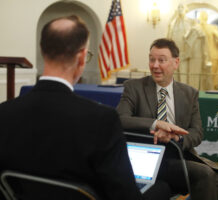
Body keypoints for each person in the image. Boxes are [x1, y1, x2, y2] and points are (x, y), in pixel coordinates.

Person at [0, 16, 170, 200]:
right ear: (82, 57)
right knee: (162, 189)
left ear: (43, 51)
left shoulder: (4, 113)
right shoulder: (101, 120)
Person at [117, 38, 218, 200]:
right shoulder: (134, 87)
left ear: (176, 63)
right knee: (202, 173)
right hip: (147, 157)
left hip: (179, 155)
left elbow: (197, 132)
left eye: (161, 60)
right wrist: (156, 124)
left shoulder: (189, 93)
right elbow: (120, 119)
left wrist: (178, 138)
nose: (155, 65)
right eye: (152, 59)